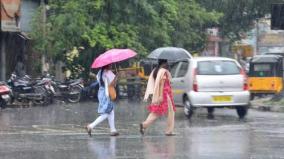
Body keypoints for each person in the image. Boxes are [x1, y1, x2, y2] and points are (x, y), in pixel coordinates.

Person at [140, 59, 176, 136]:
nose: (167, 65)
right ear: (164, 63)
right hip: (165, 94)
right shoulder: (163, 72)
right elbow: (161, 84)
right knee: (171, 112)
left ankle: (144, 125)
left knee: (156, 112)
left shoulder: (156, 71)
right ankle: (169, 131)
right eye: (166, 63)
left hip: (160, 94)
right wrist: (161, 96)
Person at [86, 64, 119, 136]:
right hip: (107, 94)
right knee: (106, 113)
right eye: (110, 65)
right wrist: (116, 77)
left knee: (111, 111)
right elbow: (113, 84)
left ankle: (113, 130)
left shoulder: (100, 72)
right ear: (108, 65)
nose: (111, 66)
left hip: (101, 93)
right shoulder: (108, 73)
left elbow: (99, 81)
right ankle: (91, 126)